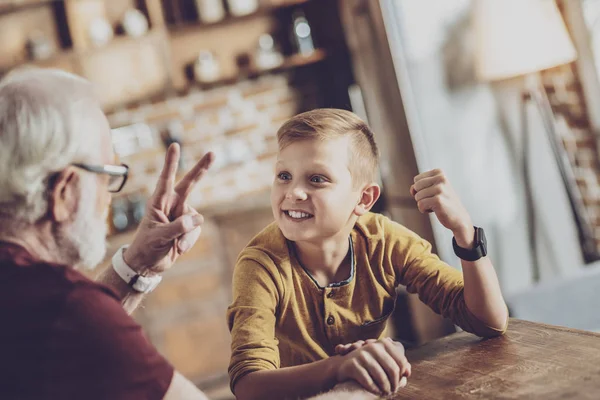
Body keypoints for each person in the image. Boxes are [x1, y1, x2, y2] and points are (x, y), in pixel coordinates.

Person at [227, 108, 509, 399]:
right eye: (283, 175)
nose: (293, 192)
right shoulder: (260, 265)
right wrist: (339, 368)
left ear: (364, 199)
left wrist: (464, 232)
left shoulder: (385, 240)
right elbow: (249, 385)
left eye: (317, 179)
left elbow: (488, 321)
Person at [0, 68, 214, 399]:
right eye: (107, 175)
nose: (108, 197)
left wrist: (138, 265)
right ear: (65, 191)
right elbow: (70, 324)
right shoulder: (70, 310)